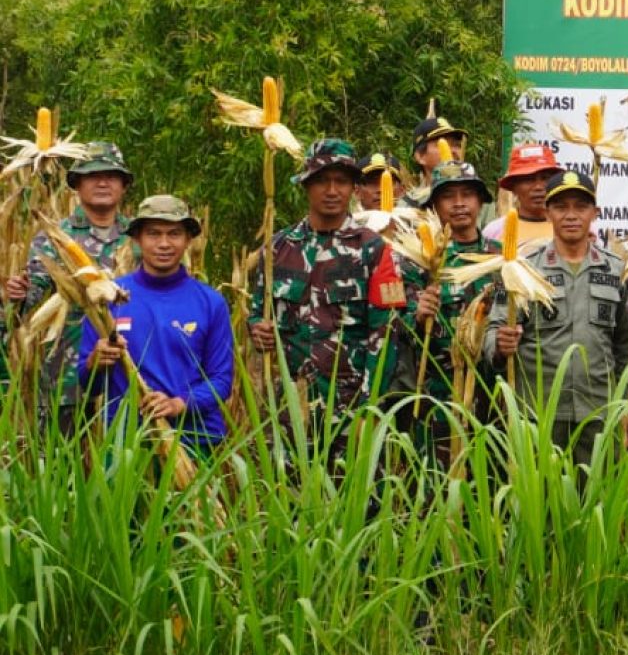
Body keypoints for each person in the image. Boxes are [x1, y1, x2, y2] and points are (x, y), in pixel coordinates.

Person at [248, 139, 405, 449]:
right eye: (322, 181)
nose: (332, 191)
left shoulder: (375, 250)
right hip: (286, 407)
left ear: (353, 189)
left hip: (348, 411)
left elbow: (387, 335)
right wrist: (256, 328)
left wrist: (368, 408)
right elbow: (256, 311)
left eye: (341, 182)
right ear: (306, 185)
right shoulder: (277, 249)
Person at [484, 169, 628, 463]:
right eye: (561, 207)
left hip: (599, 413)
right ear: (547, 212)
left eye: (580, 207)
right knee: (538, 504)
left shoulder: (617, 271)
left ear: (595, 212)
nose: (571, 215)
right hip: (537, 413)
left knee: (595, 502)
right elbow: (494, 329)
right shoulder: (522, 269)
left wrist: (627, 402)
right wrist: (500, 346)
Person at [79, 195, 233, 455]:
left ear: (188, 240)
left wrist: (179, 404)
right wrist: (96, 360)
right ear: (137, 238)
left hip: (195, 440)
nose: (164, 244)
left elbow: (221, 381)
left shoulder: (210, 303)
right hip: (126, 445)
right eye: (153, 234)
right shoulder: (109, 297)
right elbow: (87, 383)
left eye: (174, 234)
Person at [3, 140, 134, 433]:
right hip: (67, 374)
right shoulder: (55, 237)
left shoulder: (140, 237)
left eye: (111, 175)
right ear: (77, 184)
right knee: (66, 463)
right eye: (92, 175)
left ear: (123, 185)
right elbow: (33, 293)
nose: (102, 181)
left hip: (128, 369)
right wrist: (20, 295)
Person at [404, 160, 499, 458]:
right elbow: (397, 330)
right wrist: (417, 316)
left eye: (467, 194)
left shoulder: (499, 256)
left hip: (492, 396)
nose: (459, 204)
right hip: (437, 397)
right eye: (448, 196)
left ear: (481, 201)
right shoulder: (421, 259)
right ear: (434, 205)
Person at [481, 144, 559, 248]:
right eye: (528, 179)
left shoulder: (573, 227)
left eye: (545, 178)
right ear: (513, 187)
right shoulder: (494, 232)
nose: (538, 187)